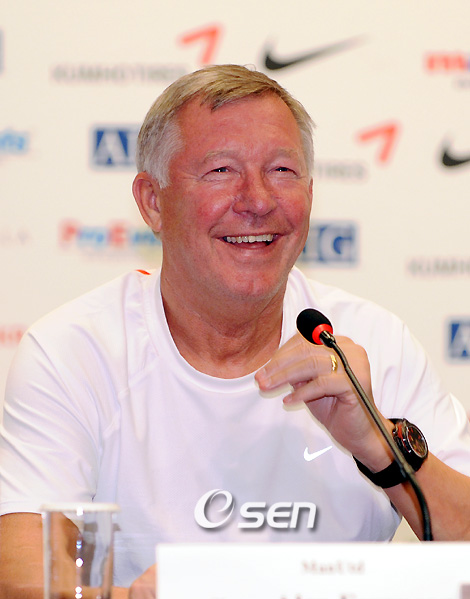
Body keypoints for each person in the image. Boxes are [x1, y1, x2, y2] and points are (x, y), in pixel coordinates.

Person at [1, 64, 470, 598]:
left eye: (282, 170)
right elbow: (23, 576)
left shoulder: (374, 343)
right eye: (221, 170)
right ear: (153, 202)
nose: (258, 200)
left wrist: (380, 444)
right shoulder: (74, 351)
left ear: (311, 193)